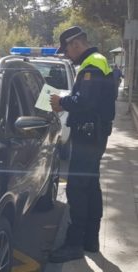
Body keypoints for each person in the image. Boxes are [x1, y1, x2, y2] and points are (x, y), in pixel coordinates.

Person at [49, 26, 115, 263]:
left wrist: (61, 101)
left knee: (77, 188)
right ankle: (90, 240)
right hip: (95, 134)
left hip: (88, 135)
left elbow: (85, 101)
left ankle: (74, 243)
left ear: (75, 44)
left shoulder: (92, 65)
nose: (67, 55)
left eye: (67, 50)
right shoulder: (98, 61)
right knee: (90, 187)